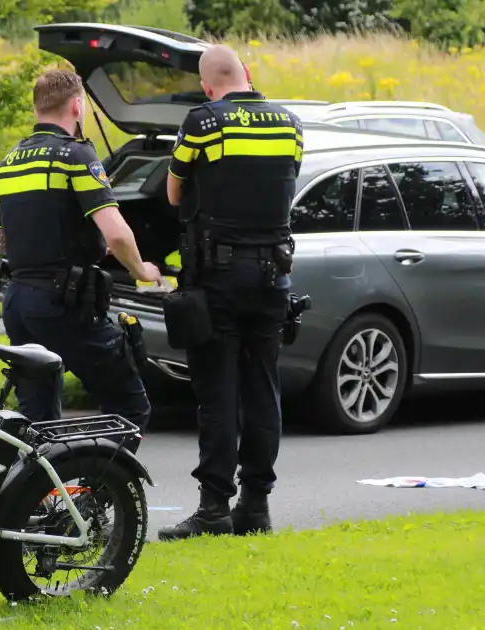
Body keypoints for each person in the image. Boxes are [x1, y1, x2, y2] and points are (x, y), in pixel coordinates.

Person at [156, 45, 302, 540]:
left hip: (218, 278)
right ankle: (256, 507)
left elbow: (174, 194)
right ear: (248, 74)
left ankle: (214, 507)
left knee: (218, 394)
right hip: (273, 278)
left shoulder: (203, 122)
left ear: (207, 86)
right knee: (262, 390)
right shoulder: (290, 124)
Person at [0, 68, 163, 453]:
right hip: (62, 302)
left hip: (17, 302)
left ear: (37, 108)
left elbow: (0, 239)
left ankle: (40, 503)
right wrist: (141, 270)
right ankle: (94, 495)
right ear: (77, 106)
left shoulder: (10, 162)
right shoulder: (76, 154)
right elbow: (115, 232)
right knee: (129, 404)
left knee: (37, 422)